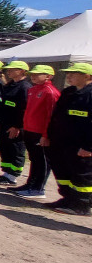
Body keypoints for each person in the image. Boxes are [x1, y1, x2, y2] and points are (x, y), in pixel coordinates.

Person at [43, 62, 92, 216]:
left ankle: (82, 205)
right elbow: (56, 116)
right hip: (62, 141)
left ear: (87, 76)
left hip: (81, 145)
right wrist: (48, 135)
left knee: (81, 174)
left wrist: (89, 146)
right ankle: (68, 198)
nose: (69, 76)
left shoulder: (90, 94)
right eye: (68, 73)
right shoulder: (68, 92)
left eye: (74, 73)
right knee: (63, 171)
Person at [10, 65, 60, 200]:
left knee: (42, 161)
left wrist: (46, 135)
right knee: (34, 159)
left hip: (40, 132)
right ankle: (30, 184)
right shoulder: (32, 89)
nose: (33, 76)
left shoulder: (50, 92)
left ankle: (38, 188)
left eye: (38, 74)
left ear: (48, 76)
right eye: (32, 74)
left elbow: (51, 116)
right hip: (29, 130)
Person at [0, 61, 31, 184]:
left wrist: (18, 126)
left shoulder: (25, 87)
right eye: (8, 69)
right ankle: (6, 173)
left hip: (15, 125)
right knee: (5, 148)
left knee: (16, 149)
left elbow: (24, 109)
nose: (8, 72)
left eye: (12, 69)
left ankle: (13, 175)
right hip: (5, 122)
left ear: (21, 71)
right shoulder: (10, 85)